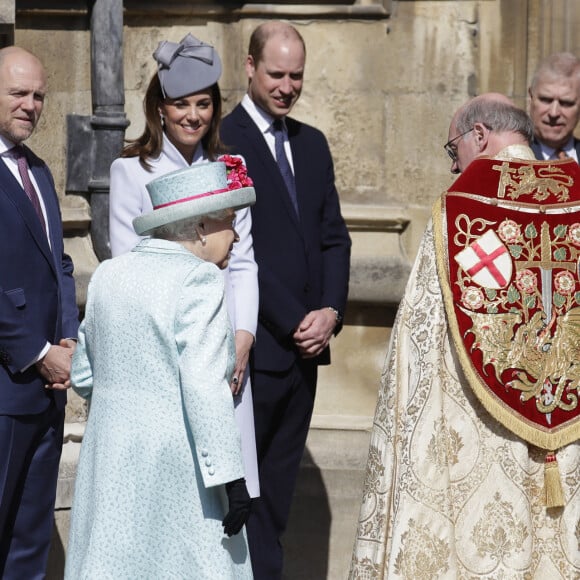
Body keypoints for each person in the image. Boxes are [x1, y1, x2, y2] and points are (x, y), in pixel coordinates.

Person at [350, 95, 580, 578]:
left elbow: (420, 343)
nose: (455, 168)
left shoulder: (457, 210)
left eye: (453, 150)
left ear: (479, 135)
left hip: (482, 437)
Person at [65, 161, 256, 578]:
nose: (237, 234)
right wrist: (231, 477)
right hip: (179, 466)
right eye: (229, 220)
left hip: (110, 460)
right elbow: (205, 386)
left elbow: (82, 376)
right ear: (201, 227)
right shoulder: (198, 280)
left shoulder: (108, 274)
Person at [220, 21, 351, 579]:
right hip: (257, 349)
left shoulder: (312, 143)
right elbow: (237, 252)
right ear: (249, 67)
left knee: (277, 497)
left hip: (305, 356)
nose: (287, 85)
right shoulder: (224, 142)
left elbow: (333, 237)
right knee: (244, 501)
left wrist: (331, 312)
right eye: (276, 73)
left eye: (296, 75)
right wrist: (295, 318)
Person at [109, 33, 260, 498]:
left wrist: (242, 340)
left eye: (203, 104)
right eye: (180, 104)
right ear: (159, 107)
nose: (193, 116)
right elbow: (127, 265)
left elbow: (244, 264)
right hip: (165, 348)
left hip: (227, 348)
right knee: (174, 489)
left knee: (228, 490)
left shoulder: (229, 168)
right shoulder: (132, 170)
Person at [0, 46, 79, 578]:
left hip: (48, 393)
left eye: (39, 96)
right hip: (6, 390)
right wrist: (36, 351)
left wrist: (69, 339)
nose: (31, 105)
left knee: (29, 545)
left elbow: (62, 265)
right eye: (18, 94)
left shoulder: (39, 171)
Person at [528, 52, 580, 161]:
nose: (554, 113)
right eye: (546, 100)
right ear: (531, 97)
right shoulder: (509, 160)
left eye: (566, 103)